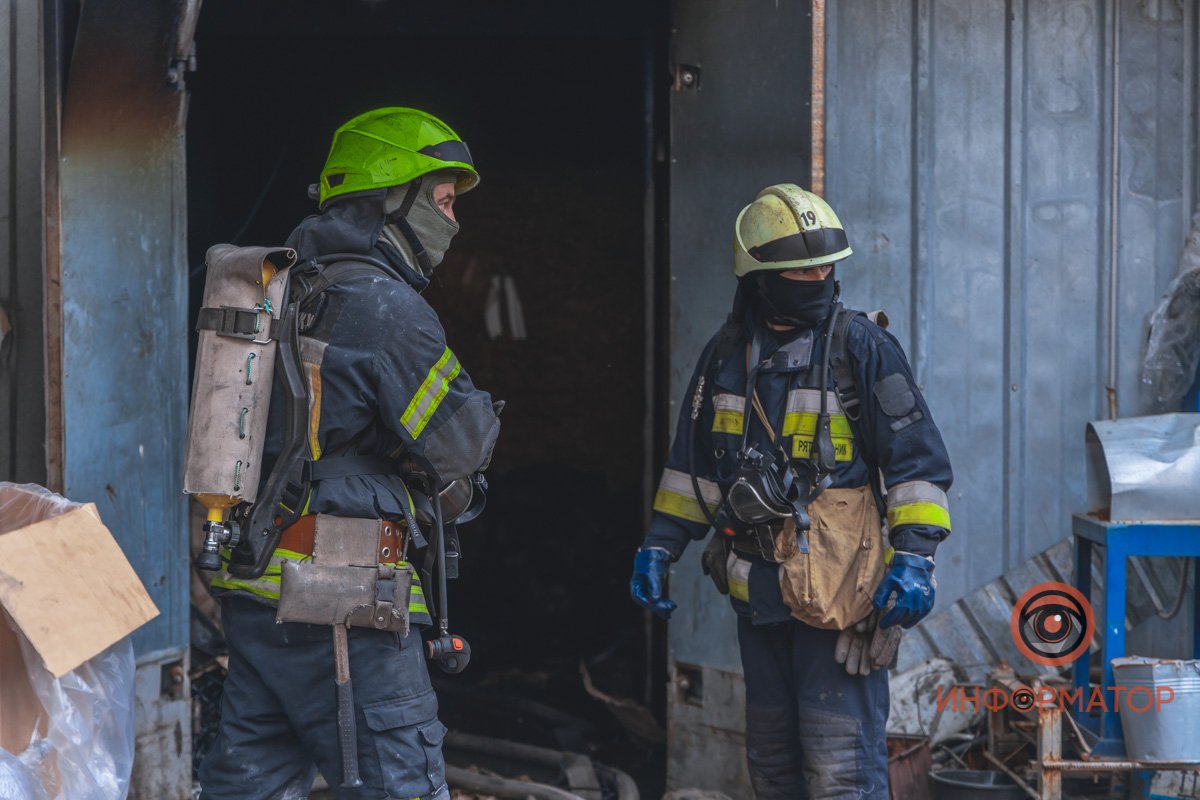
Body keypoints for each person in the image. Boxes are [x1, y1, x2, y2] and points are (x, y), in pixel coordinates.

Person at [199, 107, 500, 800]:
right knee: (400, 783)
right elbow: (461, 443)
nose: (454, 222)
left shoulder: (277, 291)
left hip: (254, 592)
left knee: (252, 784)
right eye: (445, 202)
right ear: (391, 202)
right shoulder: (384, 308)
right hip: (340, 604)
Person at [629, 184, 952, 798]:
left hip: (838, 598)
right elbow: (693, 468)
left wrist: (915, 559)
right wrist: (660, 544)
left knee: (841, 775)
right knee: (774, 771)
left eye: (827, 265)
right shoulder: (724, 357)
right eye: (802, 268)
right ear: (759, 276)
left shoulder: (863, 348)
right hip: (761, 596)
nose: (820, 277)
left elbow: (918, 464)